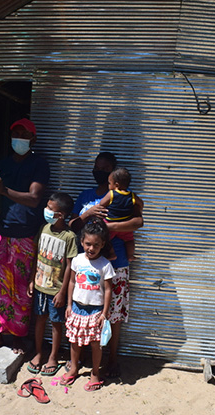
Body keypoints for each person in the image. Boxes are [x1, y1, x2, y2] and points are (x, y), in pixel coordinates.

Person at [70, 152, 144, 379]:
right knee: (84, 309)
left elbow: (138, 221)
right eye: (97, 167)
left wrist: (108, 228)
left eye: (104, 169)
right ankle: (83, 356)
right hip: (88, 264)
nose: (99, 172)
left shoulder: (125, 196)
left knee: (114, 314)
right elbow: (72, 224)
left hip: (116, 264)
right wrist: (88, 213)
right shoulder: (86, 196)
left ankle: (111, 359)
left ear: (113, 173)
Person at [0, 118, 50, 354]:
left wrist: (4, 190)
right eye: (15, 134)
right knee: (0, 286)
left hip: (26, 235)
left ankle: (18, 335)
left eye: (24, 134)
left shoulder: (39, 165)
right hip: (4, 233)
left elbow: (34, 199)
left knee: (22, 289)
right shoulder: (2, 164)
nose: (18, 138)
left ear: (33, 139)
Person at [60, 218, 115, 392]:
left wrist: (104, 313)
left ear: (102, 244)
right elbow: (71, 282)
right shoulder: (77, 260)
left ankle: (95, 373)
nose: (91, 248)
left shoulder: (105, 265)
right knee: (74, 341)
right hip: (77, 308)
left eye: (96, 245)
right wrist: (69, 305)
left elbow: (108, 290)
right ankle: (74, 368)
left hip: (96, 311)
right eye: (88, 244)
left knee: (96, 344)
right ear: (82, 241)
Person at [27, 192, 78, 376]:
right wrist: (32, 279)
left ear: (61, 215)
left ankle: (53, 357)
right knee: (40, 319)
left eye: (50, 208)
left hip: (56, 290)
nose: (46, 210)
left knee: (56, 323)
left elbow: (70, 266)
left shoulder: (69, 237)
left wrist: (63, 292)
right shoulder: (43, 228)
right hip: (40, 286)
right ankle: (39, 352)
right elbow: (36, 255)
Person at [98, 167, 143, 262]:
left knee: (105, 239)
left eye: (109, 183)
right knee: (129, 240)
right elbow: (141, 203)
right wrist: (140, 208)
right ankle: (130, 255)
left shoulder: (111, 194)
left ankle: (111, 253)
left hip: (110, 223)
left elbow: (102, 203)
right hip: (125, 225)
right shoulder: (132, 195)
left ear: (116, 185)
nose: (108, 185)